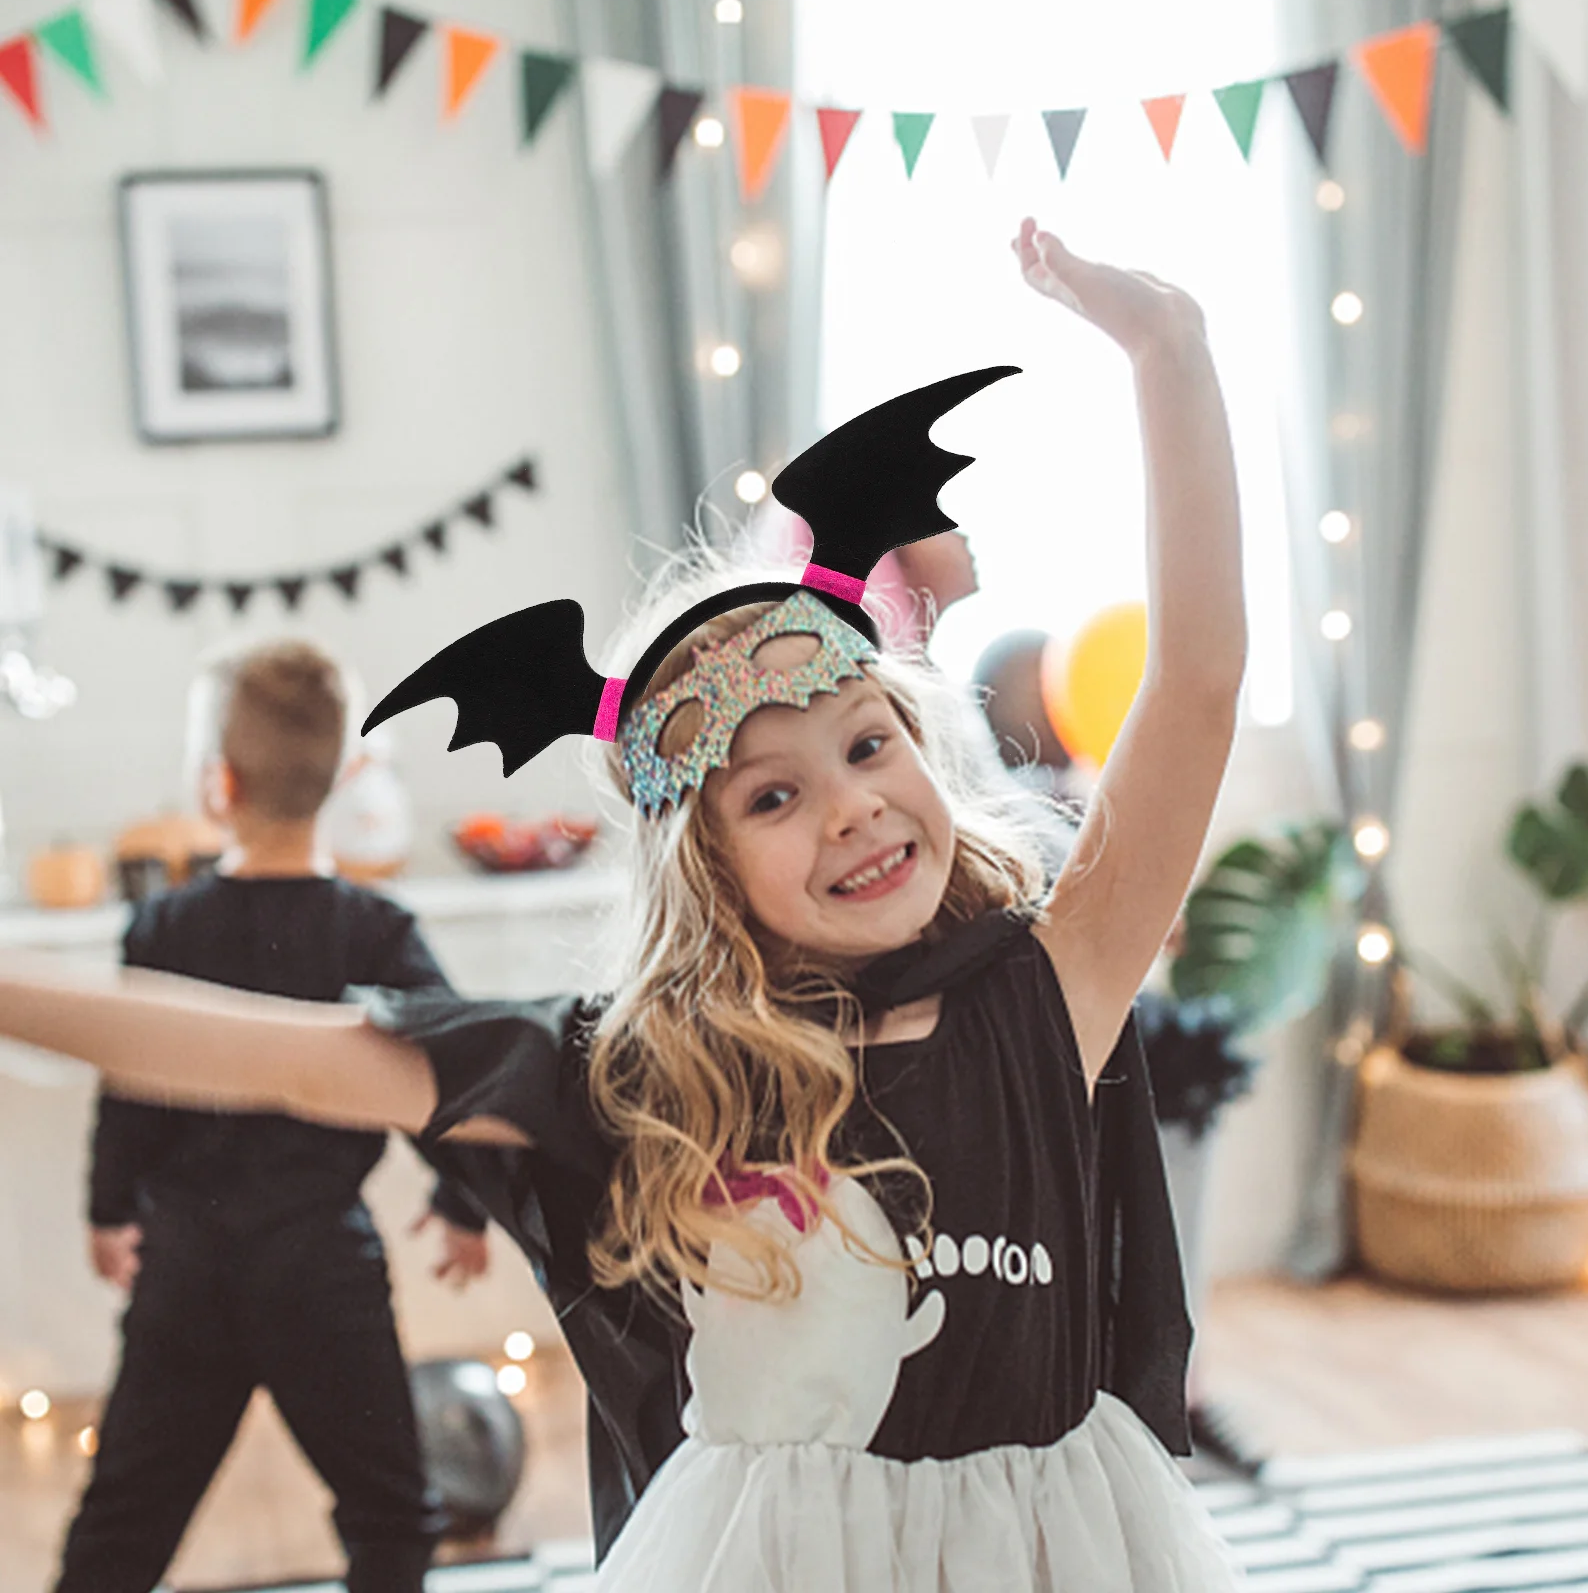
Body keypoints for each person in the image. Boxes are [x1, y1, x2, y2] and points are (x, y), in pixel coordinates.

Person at [0, 220, 1246, 1590]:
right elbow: (282, 1059)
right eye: (771, 799)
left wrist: (1168, 352)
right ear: (708, 866)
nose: (849, 806)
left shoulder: (1047, 989)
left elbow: (1190, 687)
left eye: (868, 746)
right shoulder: (651, 1074)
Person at [56, 639, 491, 1593]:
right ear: (342, 776)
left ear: (219, 782)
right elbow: (453, 1070)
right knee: (392, 1518)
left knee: (123, 1523)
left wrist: (107, 1209)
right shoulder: (376, 931)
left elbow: (129, 1086)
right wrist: (463, 1206)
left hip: (186, 1271)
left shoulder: (162, 927)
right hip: (322, 1272)